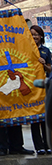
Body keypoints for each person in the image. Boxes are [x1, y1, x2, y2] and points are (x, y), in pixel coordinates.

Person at [30, 25, 51, 155]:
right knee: (34, 119)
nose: (34, 37)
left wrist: (44, 65)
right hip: (32, 88)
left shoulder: (46, 51)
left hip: (45, 88)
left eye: (36, 34)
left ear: (41, 36)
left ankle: (48, 144)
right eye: (32, 34)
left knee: (45, 117)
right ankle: (38, 146)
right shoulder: (26, 50)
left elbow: (50, 69)